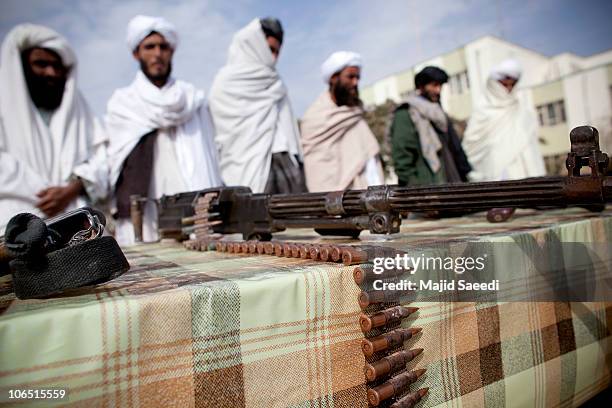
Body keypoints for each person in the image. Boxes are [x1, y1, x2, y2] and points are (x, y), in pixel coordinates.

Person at [106, 15, 222, 245]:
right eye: (149, 47)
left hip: (193, 206)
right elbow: (114, 164)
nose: (157, 53)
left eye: (164, 46)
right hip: (147, 211)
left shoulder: (193, 99)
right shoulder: (123, 103)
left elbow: (211, 154)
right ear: (136, 53)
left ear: (171, 51)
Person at [0, 24, 108, 234]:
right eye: (41, 64)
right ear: (21, 66)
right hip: (15, 224)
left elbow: (101, 159)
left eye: (57, 66)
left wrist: (70, 190)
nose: (51, 72)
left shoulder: (79, 109)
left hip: (76, 223)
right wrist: (45, 193)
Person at [209, 18, 305, 194]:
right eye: (270, 49)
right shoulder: (225, 84)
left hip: (285, 166)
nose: (274, 57)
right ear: (254, 45)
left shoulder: (276, 82)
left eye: (277, 51)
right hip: (244, 171)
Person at [300, 51, 383, 192]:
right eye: (350, 77)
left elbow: (371, 162)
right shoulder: (314, 118)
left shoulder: (355, 114)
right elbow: (318, 172)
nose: (355, 82)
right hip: (335, 202)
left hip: (367, 198)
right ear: (334, 78)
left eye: (357, 77)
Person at [462, 59, 546, 181]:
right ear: (494, 84)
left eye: (512, 85)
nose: (508, 89)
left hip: (525, 174)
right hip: (494, 175)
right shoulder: (482, 111)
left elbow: (531, 149)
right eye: (504, 85)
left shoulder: (522, 110)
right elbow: (472, 145)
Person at [390, 66, 471, 186]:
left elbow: (455, 148)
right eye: (434, 85)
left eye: (440, 86)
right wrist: (416, 189)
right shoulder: (407, 113)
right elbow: (402, 159)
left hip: (450, 178)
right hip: (427, 185)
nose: (438, 90)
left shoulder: (438, 112)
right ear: (421, 87)